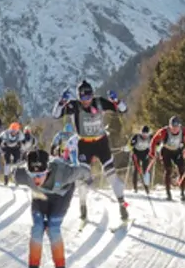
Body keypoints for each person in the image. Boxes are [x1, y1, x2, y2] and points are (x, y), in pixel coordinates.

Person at [12, 146, 88, 268]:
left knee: (53, 227)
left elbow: (82, 171)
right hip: (40, 197)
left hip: (61, 196)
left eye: (40, 174)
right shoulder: (25, 176)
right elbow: (14, 172)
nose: (37, 179)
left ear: (48, 170)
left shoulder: (64, 173)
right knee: (37, 229)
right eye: (33, 175)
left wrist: (88, 174)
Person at [56, 80, 130, 226]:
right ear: (78, 97)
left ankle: (122, 205)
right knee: (82, 177)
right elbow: (56, 114)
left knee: (111, 174)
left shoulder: (100, 102)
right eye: (83, 98)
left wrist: (116, 101)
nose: (86, 101)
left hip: (101, 143)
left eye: (89, 97)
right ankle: (83, 207)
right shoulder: (74, 106)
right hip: (84, 144)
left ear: (92, 94)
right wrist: (61, 102)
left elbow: (123, 109)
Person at [150, 115, 185, 201]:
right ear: (169, 126)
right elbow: (154, 140)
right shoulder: (164, 131)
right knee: (168, 170)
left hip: (177, 151)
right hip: (166, 151)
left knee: (182, 170)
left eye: (177, 127)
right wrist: (152, 152)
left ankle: (182, 193)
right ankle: (168, 193)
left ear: (180, 126)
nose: (175, 129)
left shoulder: (184, 131)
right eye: (173, 127)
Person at [128, 124, 155, 193]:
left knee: (146, 170)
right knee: (136, 170)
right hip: (136, 154)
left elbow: (155, 144)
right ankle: (135, 187)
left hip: (145, 154)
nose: (144, 135)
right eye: (143, 133)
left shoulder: (150, 137)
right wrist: (128, 148)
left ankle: (146, 187)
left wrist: (157, 148)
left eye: (146, 133)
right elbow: (130, 145)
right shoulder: (136, 137)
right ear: (141, 132)